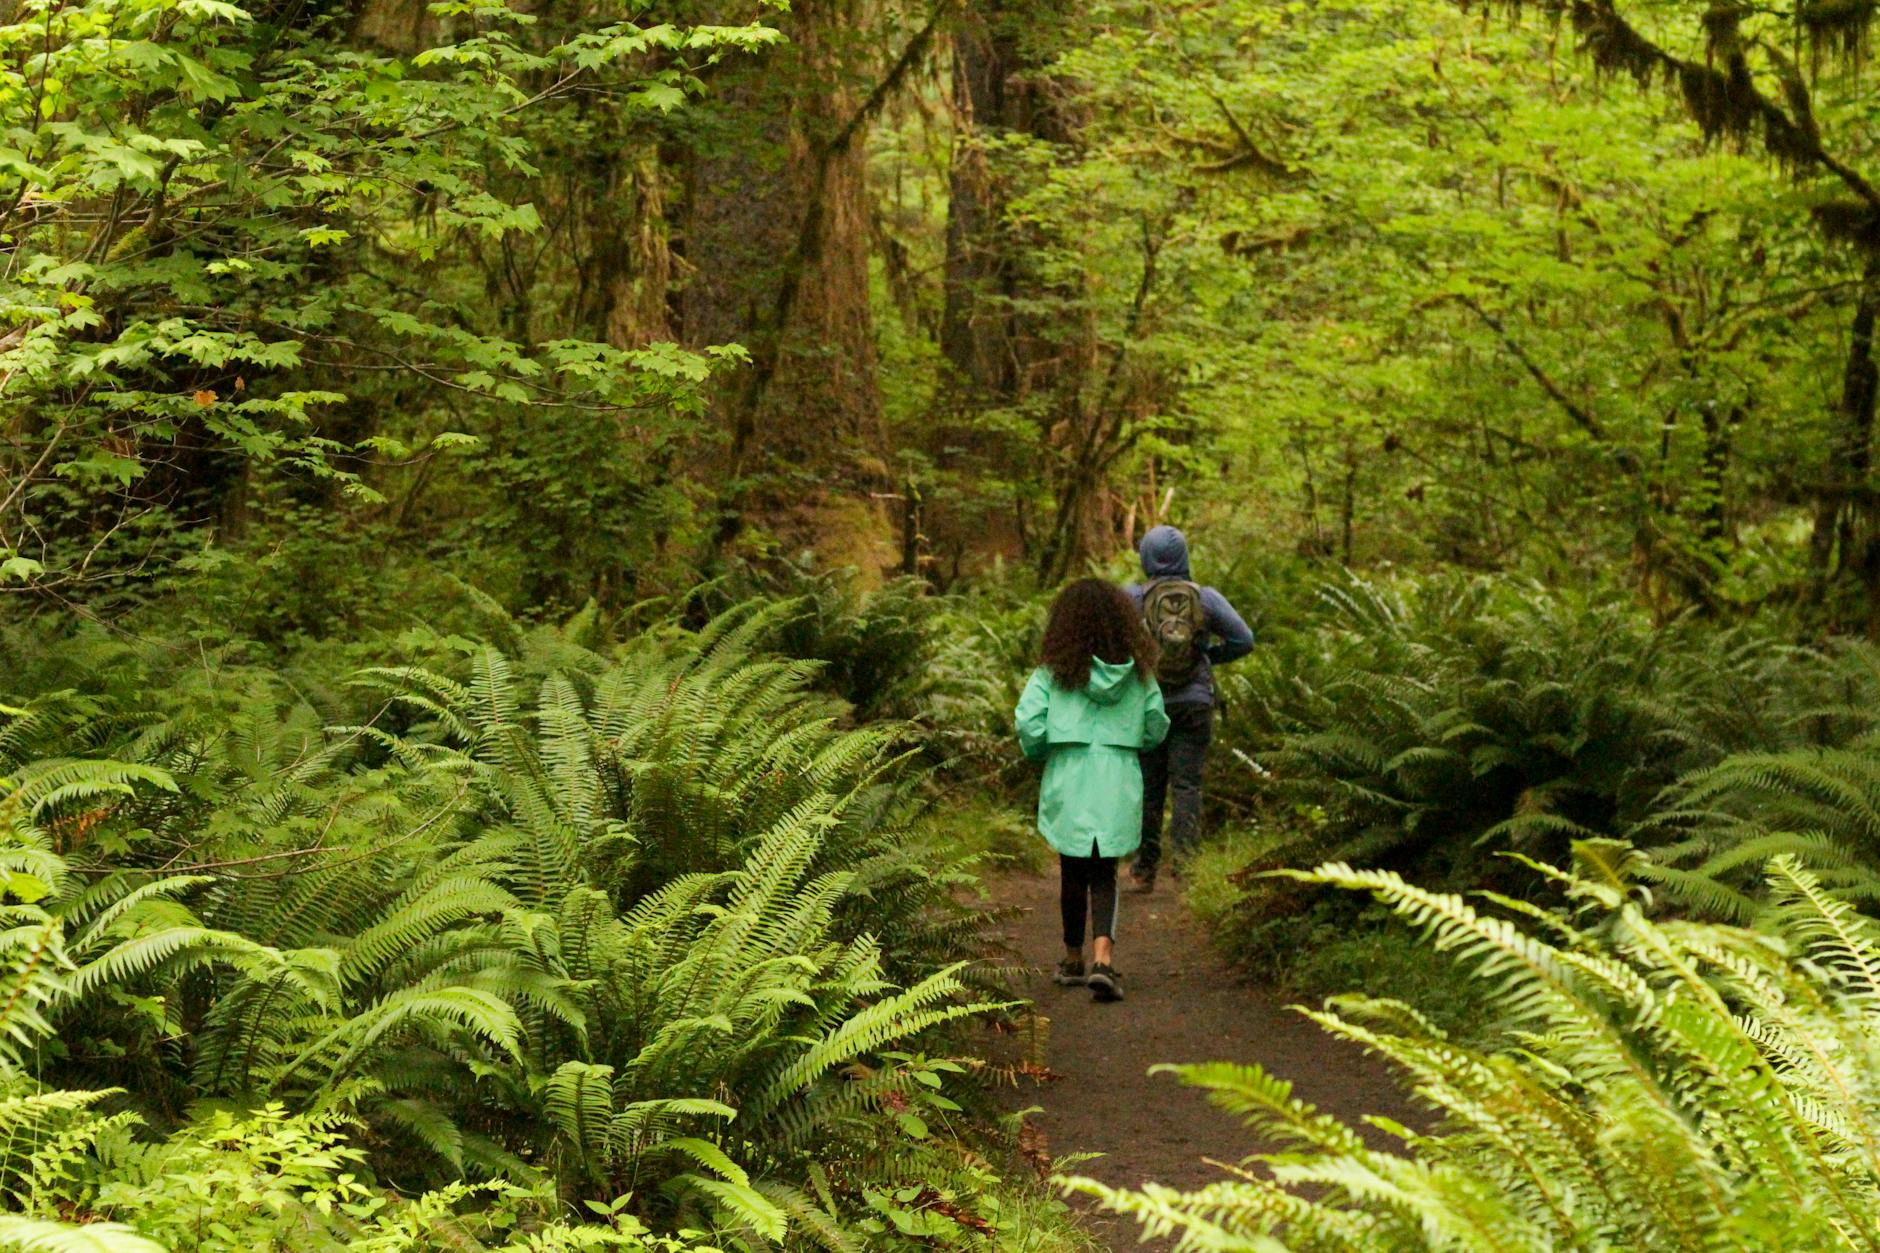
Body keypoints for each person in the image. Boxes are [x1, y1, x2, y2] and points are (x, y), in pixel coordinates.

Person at [1015, 578, 1170, 1002]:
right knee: (1105, 871)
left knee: (1072, 866)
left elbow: (1029, 722)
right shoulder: (1138, 675)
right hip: (1118, 775)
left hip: (1069, 774)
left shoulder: (1053, 673)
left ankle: (1072, 959)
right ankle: (1103, 960)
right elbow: (1156, 724)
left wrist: (1043, 751)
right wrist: (1133, 743)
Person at [1128, 526, 1254, 892]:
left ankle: (1144, 870)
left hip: (1148, 704)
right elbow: (1244, 640)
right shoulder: (1205, 598)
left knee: (1150, 788)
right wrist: (1208, 656)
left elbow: (1106, 642)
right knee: (1187, 786)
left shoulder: (1133, 597)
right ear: (1183, 556)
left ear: (1146, 556)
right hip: (1195, 703)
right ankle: (1186, 869)